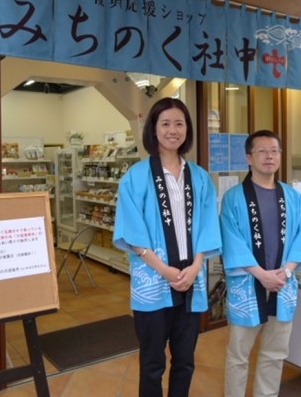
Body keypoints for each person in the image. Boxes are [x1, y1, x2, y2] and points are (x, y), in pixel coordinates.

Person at [113, 97, 222, 397]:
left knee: (185, 361)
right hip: (153, 283)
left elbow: (207, 226)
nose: (173, 130)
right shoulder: (135, 177)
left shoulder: (199, 177)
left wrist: (197, 265)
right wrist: (163, 269)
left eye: (179, 123)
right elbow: (131, 230)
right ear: (154, 129)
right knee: (152, 363)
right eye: (165, 123)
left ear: (187, 129)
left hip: (191, 282)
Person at [220, 129, 301, 397]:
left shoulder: (293, 197)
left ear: (280, 156)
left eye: (274, 151)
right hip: (247, 286)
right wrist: (261, 275)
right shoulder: (233, 199)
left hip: (283, 285)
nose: (269, 156)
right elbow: (232, 242)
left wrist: (286, 273)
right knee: (238, 354)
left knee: (275, 353)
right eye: (262, 151)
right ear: (249, 158)